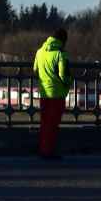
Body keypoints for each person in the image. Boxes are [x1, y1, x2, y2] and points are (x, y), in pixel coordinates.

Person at [33, 28, 72, 160]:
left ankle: (43, 149)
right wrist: (69, 82)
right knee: (53, 124)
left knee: (44, 123)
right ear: (63, 40)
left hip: (44, 93)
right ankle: (48, 151)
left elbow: (35, 70)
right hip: (57, 94)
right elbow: (63, 75)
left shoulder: (39, 52)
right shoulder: (61, 54)